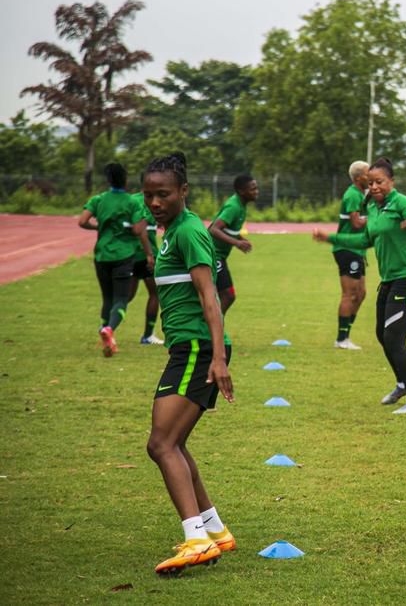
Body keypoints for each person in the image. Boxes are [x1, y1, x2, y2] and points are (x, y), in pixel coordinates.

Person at [142, 153, 236, 574]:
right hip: (188, 348)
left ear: (183, 192)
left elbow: (211, 298)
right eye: (149, 195)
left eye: (163, 194)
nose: (155, 202)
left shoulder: (190, 232)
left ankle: (196, 539)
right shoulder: (171, 231)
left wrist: (218, 358)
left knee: (161, 444)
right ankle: (214, 531)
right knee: (172, 444)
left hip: (198, 349)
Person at [313, 158, 406, 414]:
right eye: (370, 183)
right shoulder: (375, 208)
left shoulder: (402, 202)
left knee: (394, 337)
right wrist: (329, 238)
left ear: (391, 182)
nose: (374, 187)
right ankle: (402, 383)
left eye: (380, 182)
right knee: (382, 334)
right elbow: (364, 238)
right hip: (389, 280)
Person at [78, 163, 150, 356]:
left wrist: (98, 228)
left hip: (101, 255)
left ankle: (106, 337)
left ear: (108, 180)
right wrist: (145, 221)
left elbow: (82, 221)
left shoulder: (99, 199)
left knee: (107, 298)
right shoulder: (132, 202)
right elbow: (136, 230)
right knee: (121, 299)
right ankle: (109, 330)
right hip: (123, 255)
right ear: (126, 180)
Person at [332, 161, 371, 350]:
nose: (370, 176)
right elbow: (356, 224)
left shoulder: (361, 194)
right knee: (349, 294)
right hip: (347, 249)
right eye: (367, 173)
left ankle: (346, 334)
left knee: (361, 293)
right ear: (358, 178)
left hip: (357, 250)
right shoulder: (353, 195)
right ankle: (341, 339)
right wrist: (377, 221)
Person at [208, 174, 259, 316]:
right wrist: (237, 243)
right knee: (227, 296)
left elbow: (229, 229)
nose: (256, 191)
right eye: (253, 189)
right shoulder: (234, 206)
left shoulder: (241, 205)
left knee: (221, 296)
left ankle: (213, 329)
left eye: (256, 188)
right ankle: (211, 329)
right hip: (212, 254)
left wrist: (240, 238)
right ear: (242, 191)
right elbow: (214, 229)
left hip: (219, 256)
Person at [130, 179, 163, 345]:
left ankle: (107, 327)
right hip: (146, 256)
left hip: (128, 255)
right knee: (155, 293)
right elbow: (140, 228)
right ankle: (148, 335)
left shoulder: (130, 200)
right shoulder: (151, 203)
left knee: (126, 296)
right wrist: (150, 254)